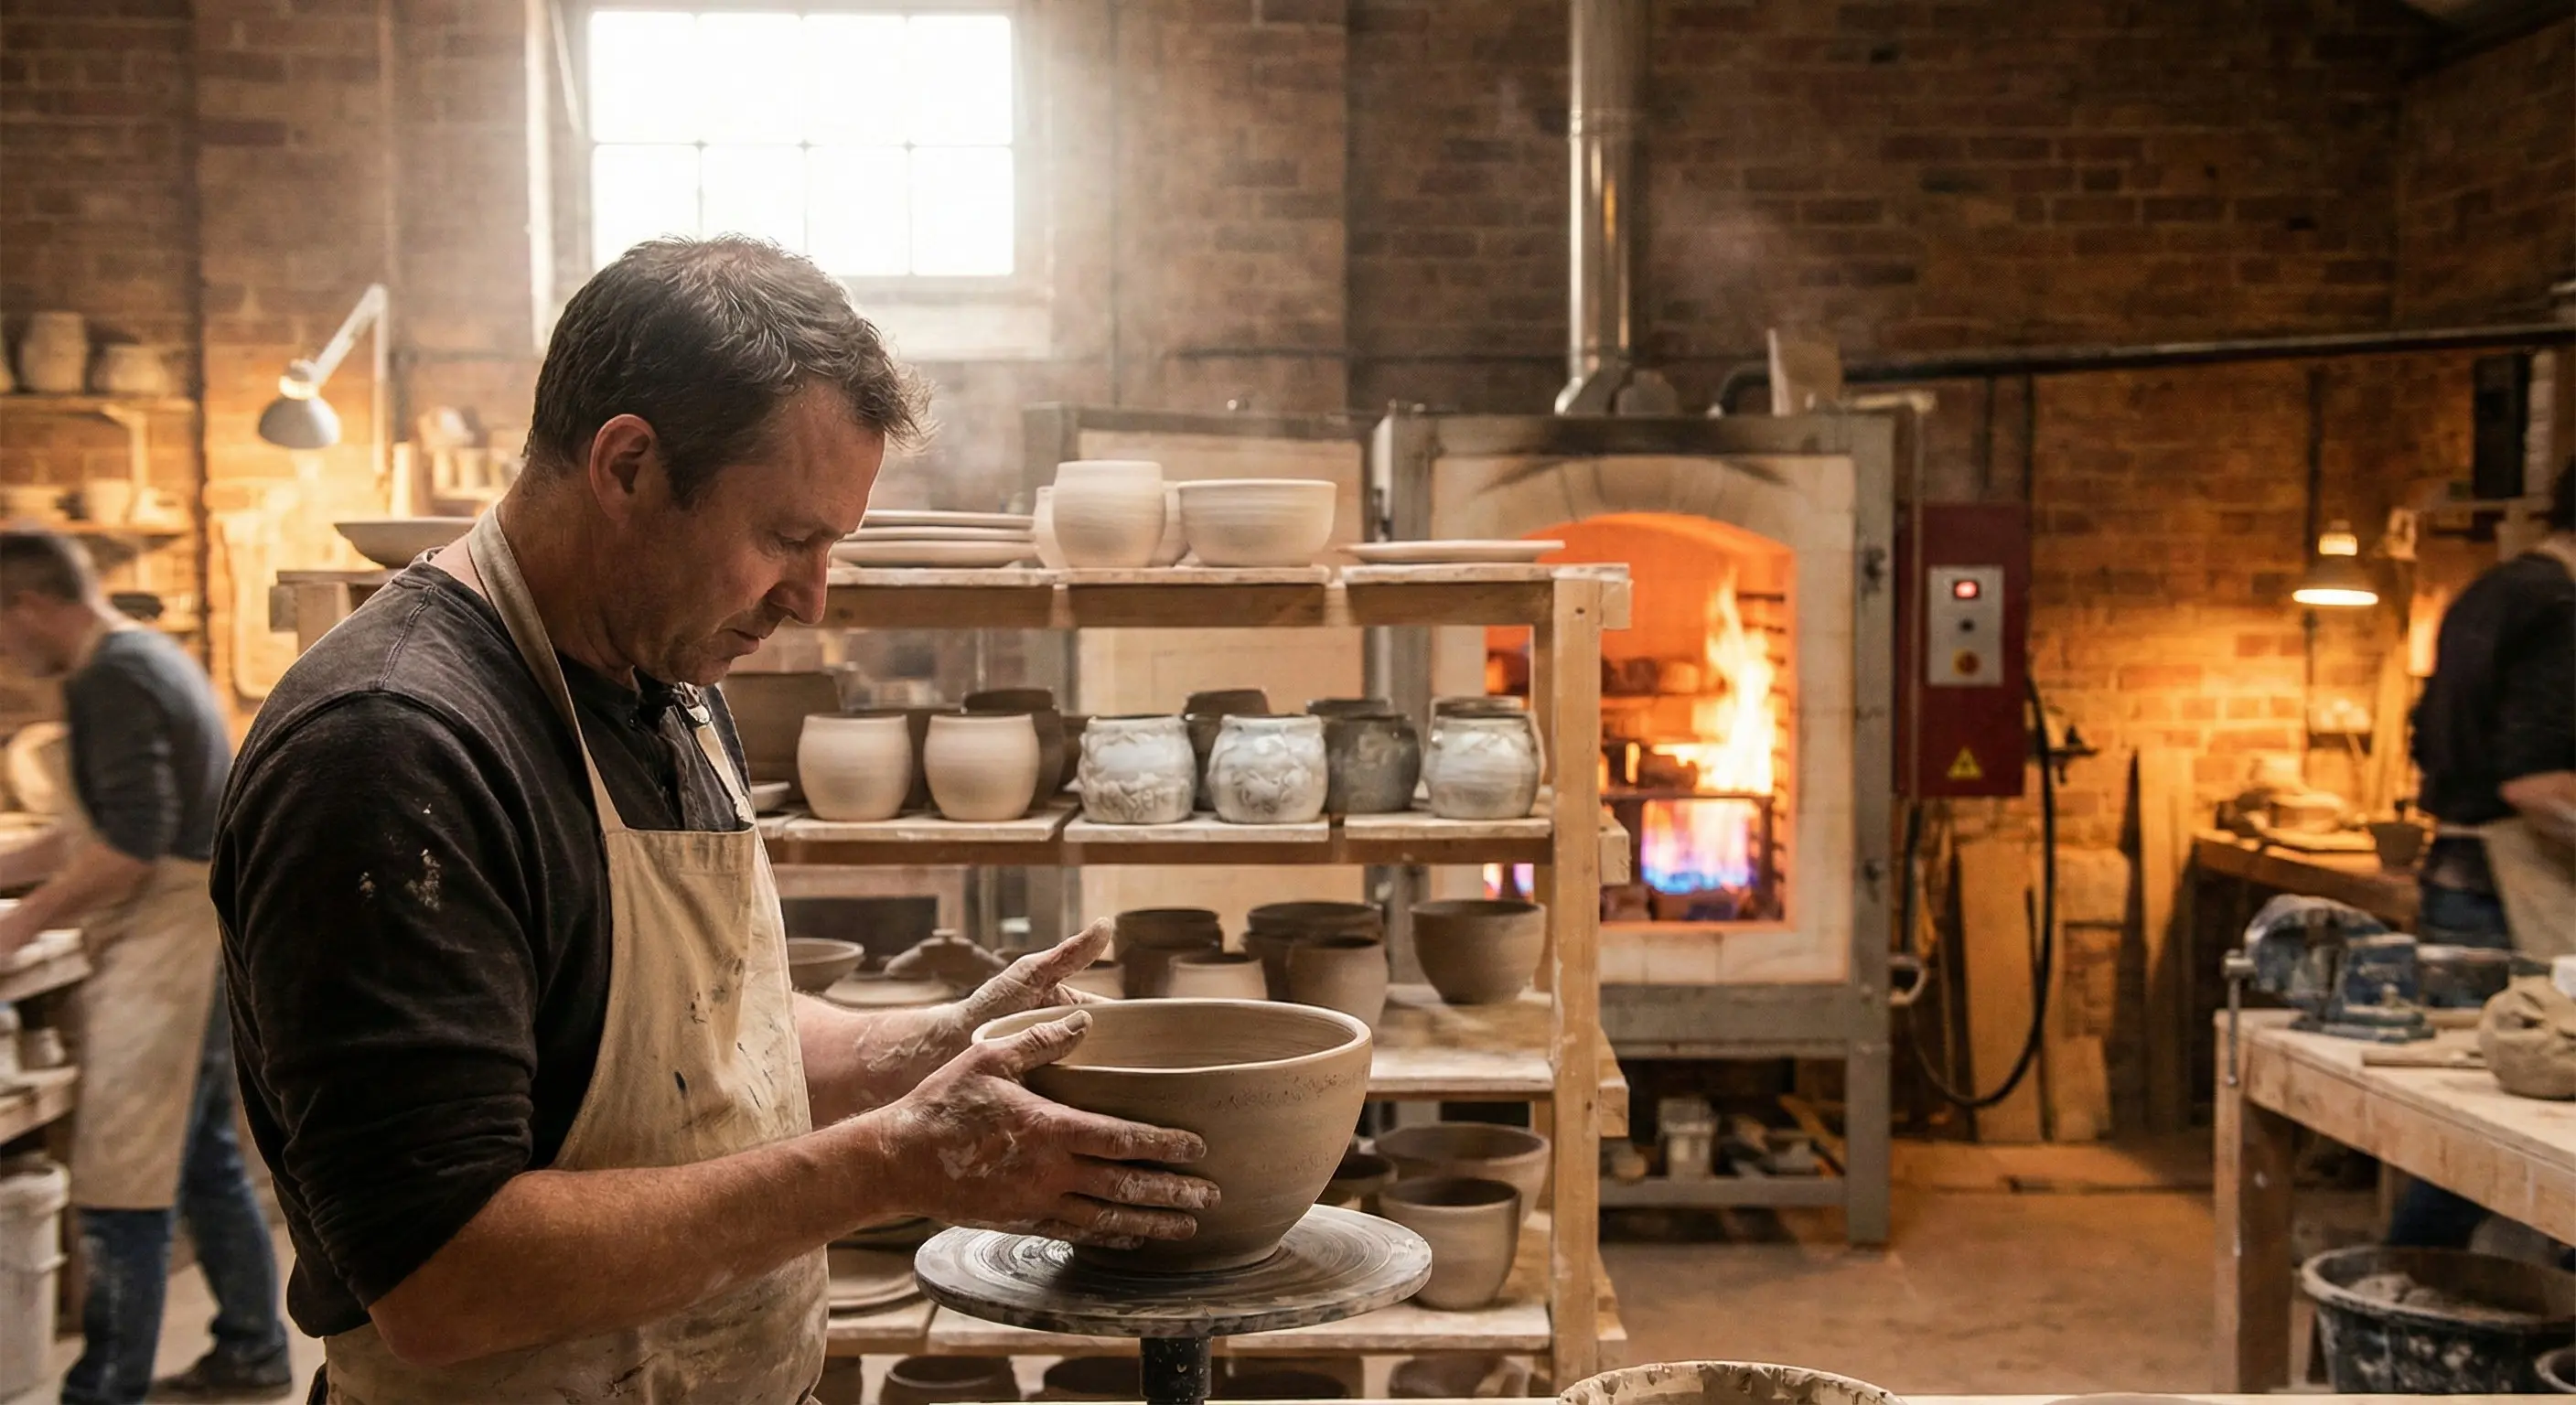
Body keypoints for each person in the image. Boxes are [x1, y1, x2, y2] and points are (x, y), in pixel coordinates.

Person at [212, 237, 1216, 1405]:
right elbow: (443, 1278)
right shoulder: (392, 749)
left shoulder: (670, 681)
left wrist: (922, 1050)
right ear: (628, 465)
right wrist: (892, 1162)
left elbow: (697, 1028)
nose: (812, 596)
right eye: (788, 538)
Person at [0, 531, 293, 1402]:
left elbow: (128, 849)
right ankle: (253, 1348)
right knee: (202, 1154)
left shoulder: (111, 677)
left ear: (30, 607)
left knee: (120, 1164)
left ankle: (105, 1387)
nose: (5, 652)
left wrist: (16, 931)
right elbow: (100, 833)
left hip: (169, 939)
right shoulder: (144, 658)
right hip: (189, 930)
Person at [2389, 458, 2576, 1249]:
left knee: (2460, 1134)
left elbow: (2422, 733)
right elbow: (2536, 784)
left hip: (2458, 880)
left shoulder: (2490, 593)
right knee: (2521, 1135)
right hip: (2510, 893)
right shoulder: (2562, 611)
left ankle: (2400, 1295)